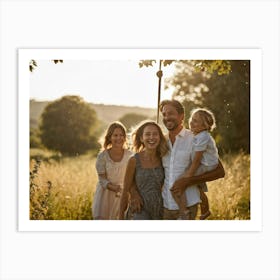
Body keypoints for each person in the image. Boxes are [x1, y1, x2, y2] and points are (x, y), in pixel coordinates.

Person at [130, 99, 225, 220]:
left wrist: (188, 181)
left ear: (182, 116)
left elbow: (219, 171)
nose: (167, 117)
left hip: (188, 205)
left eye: (171, 113)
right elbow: (139, 169)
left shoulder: (196, 138)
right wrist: (133, 192)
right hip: (164, 205)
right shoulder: (160, 141)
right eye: (164, 114)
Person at [171, 108, 219, 220]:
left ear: (205, 126)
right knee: (197, 187)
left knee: (177, 185)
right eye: (192, 119)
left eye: (196, 121)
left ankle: (184, 212)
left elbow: (197, 159)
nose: (192, 122)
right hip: (205, 164)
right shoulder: (198, 135)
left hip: (206, 165)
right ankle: (205, 211)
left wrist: (188, 175)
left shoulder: (203, 136)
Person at [119, 121, 168, 220]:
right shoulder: (134, 160)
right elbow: (125, 189)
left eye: (155, 134)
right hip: (139, 209)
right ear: (141, 138)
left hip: (159, 209)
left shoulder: (164, 158)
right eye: (147, 134)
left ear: (160, 137)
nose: (151, 138)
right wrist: (120, 217)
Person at [92, 121, 133, 220]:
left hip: (124, 194)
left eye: (121, 135)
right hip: (105, 195)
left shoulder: (130, 155)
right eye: (115, 135)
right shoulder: (103, 156)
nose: (119, 138)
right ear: (109, 137)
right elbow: (102, 179)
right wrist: (115, 188)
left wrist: (126, 192)